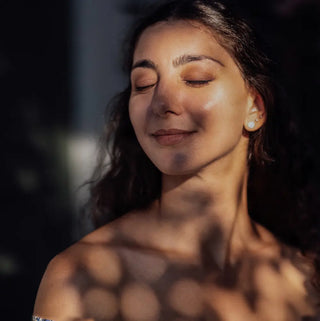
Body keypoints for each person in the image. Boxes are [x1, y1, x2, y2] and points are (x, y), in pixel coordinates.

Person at [33, 0, 320, 320]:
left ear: (255, 107)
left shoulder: (302, 276)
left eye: (196, 78)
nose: (162, 102)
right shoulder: (82, 276)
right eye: (143, 84)